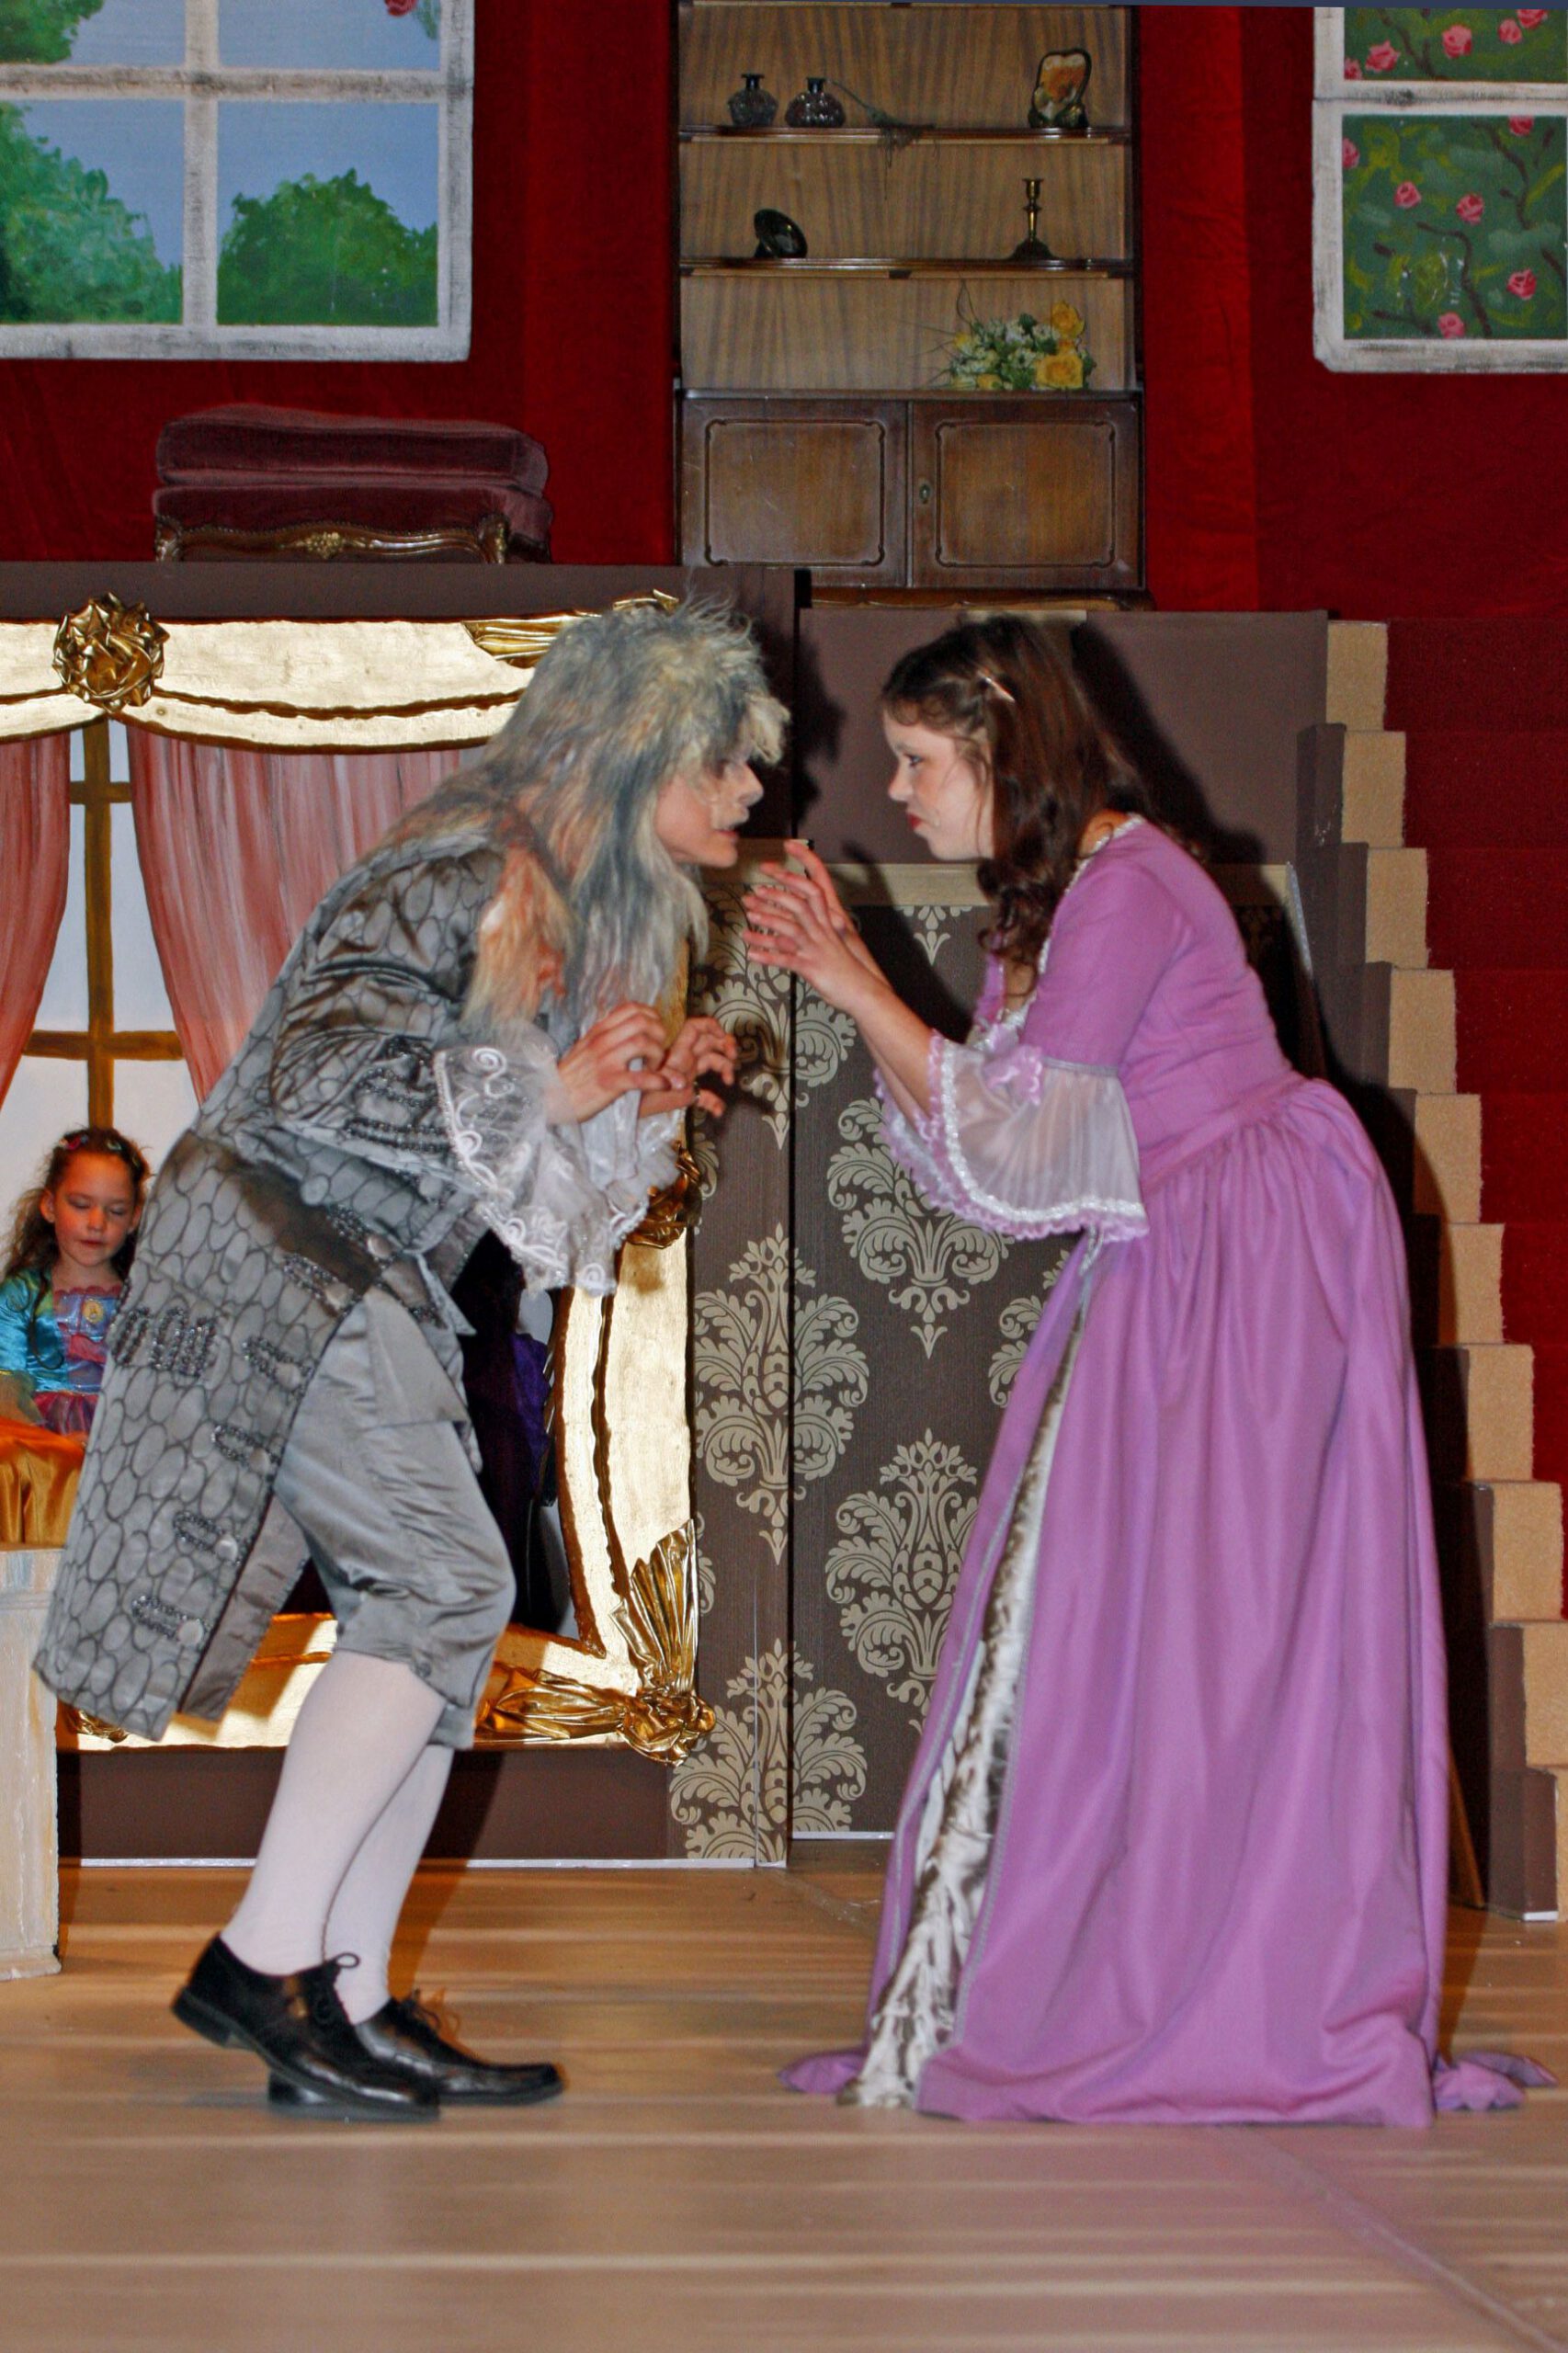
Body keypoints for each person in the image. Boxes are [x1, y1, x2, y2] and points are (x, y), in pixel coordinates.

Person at [746, 617, 1541, 2125]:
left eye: (919, 762)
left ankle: (1223, 1984)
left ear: (1001, 750)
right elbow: (997, 1173)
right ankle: (1136, 1963)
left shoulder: (1127, 882)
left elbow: (1025, 1144)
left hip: (1252, 1241)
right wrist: (861, 991)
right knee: (1127, 1618)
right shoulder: (1049, 908)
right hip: (1174, 1243)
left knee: (1220, 1624)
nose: (899, 793)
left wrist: (858, 986)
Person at [36, 601, 784, 2123]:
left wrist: (636, 1102)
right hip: (285, 1249)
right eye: (723, 756)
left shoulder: (570, 905)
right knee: (446, 1584)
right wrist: (550, 1083)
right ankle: (263, 1962)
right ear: (634, 748)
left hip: (358, 1264)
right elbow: (313, 1072)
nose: (752, 787)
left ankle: (350, 1997)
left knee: (434, 1608)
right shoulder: (463, 863)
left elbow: (520, 1178)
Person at [0, 1126, 149, 1435]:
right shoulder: (20, 1296)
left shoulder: (145, 1298)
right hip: (40, 1450)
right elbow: (5, 1393)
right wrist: (58, 1448)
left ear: (134, 1218)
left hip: (121, 1446)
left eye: (116, 1211)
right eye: (81, 1205)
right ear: (50, 1206)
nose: (97, 1223)